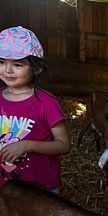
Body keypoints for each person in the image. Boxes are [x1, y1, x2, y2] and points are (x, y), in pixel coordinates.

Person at [0, 26, 70, 193]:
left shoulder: (47, 103)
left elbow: (63, 145)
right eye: (1, 62)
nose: (8, 70)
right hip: (4, 186)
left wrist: (27, 145)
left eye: (17, 64)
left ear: (36, 69)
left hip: (39, 191)